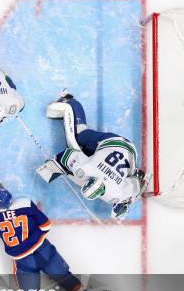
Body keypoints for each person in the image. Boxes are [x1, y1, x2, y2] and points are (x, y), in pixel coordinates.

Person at [0, 161, 95, 291]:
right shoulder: (23, 203)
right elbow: (46, 225)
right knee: (67, 278)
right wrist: (35, 238)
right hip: (43, 250)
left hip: (23, 261)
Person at [37, 90, 150, 219]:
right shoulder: (89, 168)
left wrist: (122, 206)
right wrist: (52, 168)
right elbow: (68, 154)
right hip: (113, 143)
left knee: (78, 162)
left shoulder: (118, 194)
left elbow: (136, 182)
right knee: (77, 138)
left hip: (131, 153)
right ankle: (70, 101)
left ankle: (71, 104)